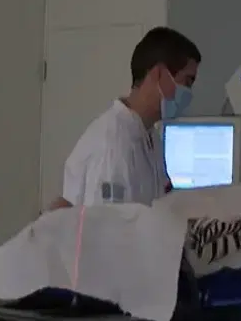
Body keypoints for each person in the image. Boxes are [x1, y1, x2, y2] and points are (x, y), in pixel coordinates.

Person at [48, 27, 201, 210]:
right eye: (187, 82)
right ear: (159, 74)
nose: (189, 93)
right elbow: (106, 224)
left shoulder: (150, 137)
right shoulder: (112, 144)